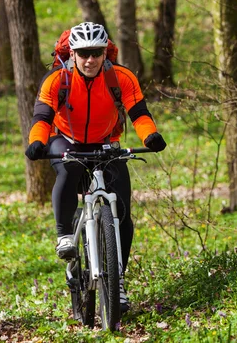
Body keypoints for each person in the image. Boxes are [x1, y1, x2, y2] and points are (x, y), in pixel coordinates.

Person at [24, 22, 167, 313]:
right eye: (84, 53)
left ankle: (119, 280)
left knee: (123, 213)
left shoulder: (121, 77)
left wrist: (150, 135)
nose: (90, 60)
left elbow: (138, 111)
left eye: (96, 53)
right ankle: (65, 235)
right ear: (72, 54)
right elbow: (42, 116)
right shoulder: (58, 80)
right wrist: (37, 142)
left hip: (105, 143)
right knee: (68, 169)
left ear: (105, 54)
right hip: (66, 140)